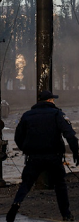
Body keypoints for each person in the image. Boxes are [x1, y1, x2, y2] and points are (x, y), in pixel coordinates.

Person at [6, 90, 79, 222]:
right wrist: (76, 152)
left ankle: (16, 204)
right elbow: (70, 135)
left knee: (26, 184)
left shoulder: (27, 115)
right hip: (54, 157)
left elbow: (18, 137)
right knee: (60, 185)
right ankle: (66, 215)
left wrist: (27, 149)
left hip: (34, 157)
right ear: (50, 100)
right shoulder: (57, 114)